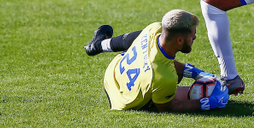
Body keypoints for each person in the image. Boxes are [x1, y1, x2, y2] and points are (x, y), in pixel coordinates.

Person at [84, 9, 229, 112]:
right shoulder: (165, 76)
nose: (195, 38)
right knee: (177, 88)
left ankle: (99, 45)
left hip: (113, 71)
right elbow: (168, 107)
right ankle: (210, 95)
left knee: (139, 43)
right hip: (121, 100)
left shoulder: (154, 29)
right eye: (193, 35)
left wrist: (198, 74)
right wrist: (211, 103)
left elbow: (162, 62)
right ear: (179, 40)